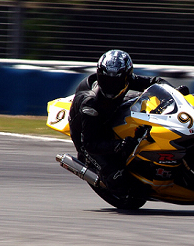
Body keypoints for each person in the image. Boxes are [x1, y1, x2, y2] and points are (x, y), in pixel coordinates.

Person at [68, 49, 186, 193]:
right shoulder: (90, 104)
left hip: (112, 112)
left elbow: (155, 82)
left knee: (145, 102)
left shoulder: (128, 80)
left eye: (115, 81)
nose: (110, 85)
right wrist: (118, 145)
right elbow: (90, 143)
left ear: (126, 77)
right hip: (86, 132)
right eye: (106, 79)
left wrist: (174, 92)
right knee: (118, 180)